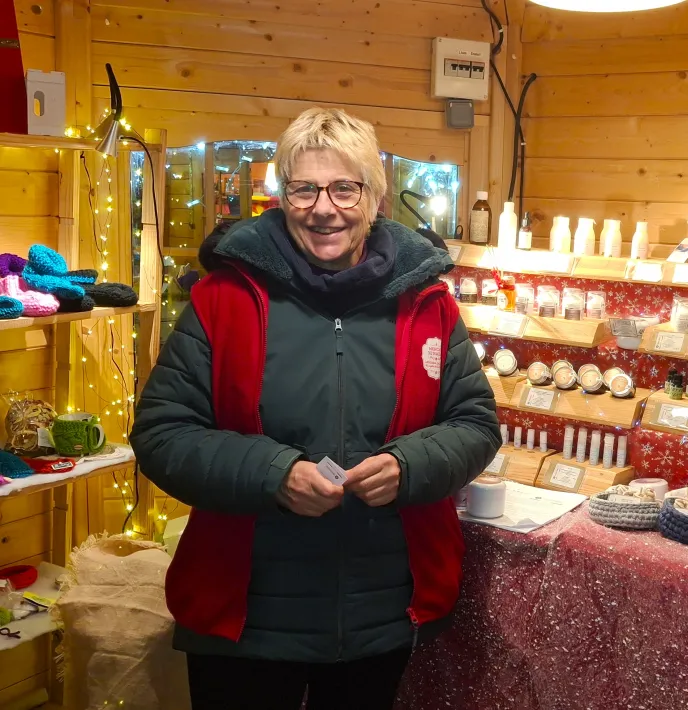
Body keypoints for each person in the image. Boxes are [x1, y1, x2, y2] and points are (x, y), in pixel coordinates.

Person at [131, 107, 502, 710]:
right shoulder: (226, 297)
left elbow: (474, 423)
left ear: (375, 197)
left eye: (344, 188)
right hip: (246, 617)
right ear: (281, 196)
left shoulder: (426, 301)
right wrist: (272, 474)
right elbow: (162, 434)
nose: (323, 208)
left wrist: (410, 465)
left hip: (380, 614)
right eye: (304, 188)